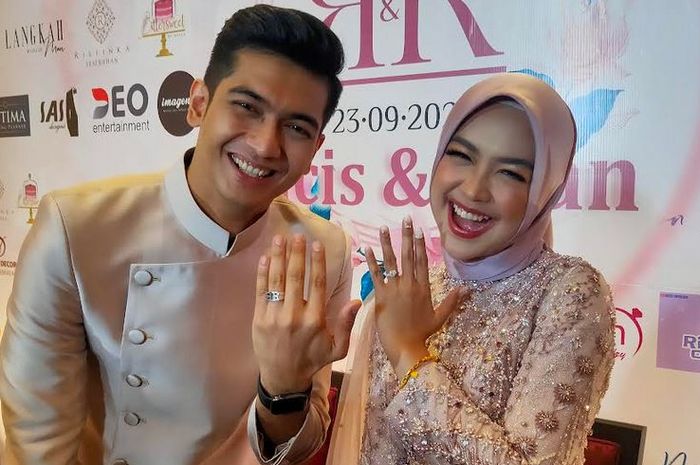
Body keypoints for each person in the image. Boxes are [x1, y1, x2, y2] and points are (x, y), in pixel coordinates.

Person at [0, 5, 360, 465]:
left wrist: (283, 390)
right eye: (247, 107)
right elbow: (39, 445)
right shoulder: (75, 230)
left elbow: (301, 444)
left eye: (296, 127)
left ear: (315, 149)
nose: (265, 145)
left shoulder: (322, 251)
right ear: (198, 103)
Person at [327, 73, 616, 465]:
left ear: (544, 190)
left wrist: (409, 354)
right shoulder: (417, 289)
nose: (474, 190)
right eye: (461, 155)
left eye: (510, 173)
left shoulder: (570, 292)